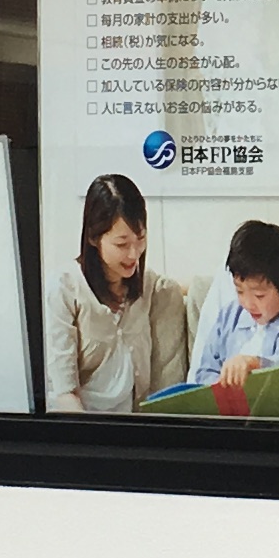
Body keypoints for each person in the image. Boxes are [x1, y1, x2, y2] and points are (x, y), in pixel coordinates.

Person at [45, 173, 194, 413]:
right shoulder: (65, 287)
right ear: (93, 238)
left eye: (140, 239)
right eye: (122, 244)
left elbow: (185, 288)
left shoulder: (148, 287)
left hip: (130, 425)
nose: (134, 254)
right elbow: (64, 392)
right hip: (77, 419)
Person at [187, 217, 279, 390]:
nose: (248, 304)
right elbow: (205, 371)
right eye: (240, 291)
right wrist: (220, 384)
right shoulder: (229, 316)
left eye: (259, 295)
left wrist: (257, 363)